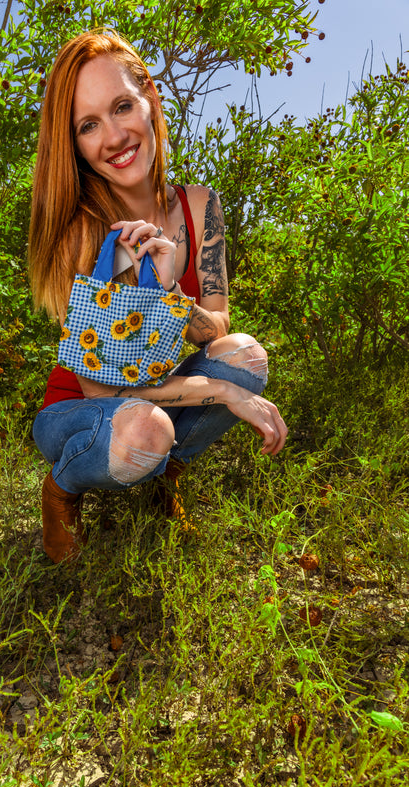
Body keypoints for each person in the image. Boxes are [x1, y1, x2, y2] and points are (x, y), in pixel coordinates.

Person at [28, 29, 287, 564]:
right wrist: (223, 393)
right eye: (88, 125)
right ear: (75, 144)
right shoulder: (85, 230)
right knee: (148, 425)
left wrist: (169, 288)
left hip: (156, 391)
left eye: (123, 106)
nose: (114, 136)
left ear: (151, 99)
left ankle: (160, 480)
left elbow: (216, 327)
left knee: (246, 355)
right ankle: (63, 490)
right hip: (81, 410)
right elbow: (100, 391)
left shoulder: (200, 206)